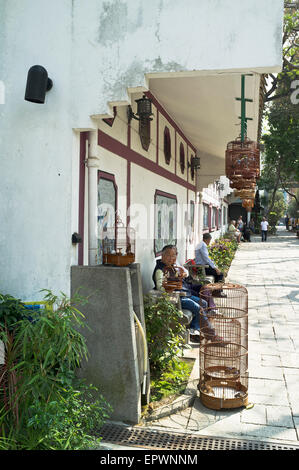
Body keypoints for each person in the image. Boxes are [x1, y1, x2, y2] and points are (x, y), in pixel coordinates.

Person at [152, 245, 224, 344]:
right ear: (162, 255)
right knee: (198, 307)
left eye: (173, 256)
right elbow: (160, 287)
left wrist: (180, 277)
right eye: (168, 255)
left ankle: (194, 330)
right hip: (173, 299)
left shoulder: (171, 267)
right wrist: (172, 286)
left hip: (181, 295)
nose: (171, 258)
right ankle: (212, 335)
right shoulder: (160, 270)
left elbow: (178, 280)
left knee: (203, 303)